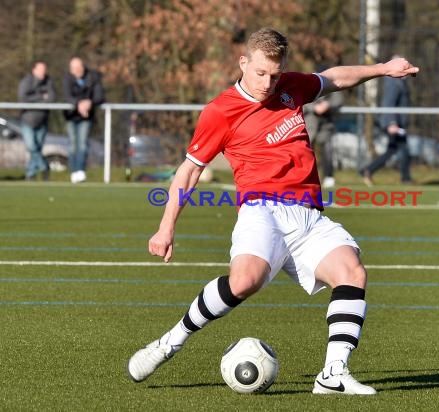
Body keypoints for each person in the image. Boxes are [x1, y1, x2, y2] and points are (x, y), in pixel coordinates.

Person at [127, 28, 418, 395]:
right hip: (261, 210)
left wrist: (382, 68)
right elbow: (189, 170)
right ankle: (170, 341)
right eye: (261, 73)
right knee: (244, 282)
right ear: (243, 62)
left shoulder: (289, 87)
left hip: (308, 214)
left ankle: (333, 374)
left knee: (352, 272)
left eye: (275, 74)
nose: (268, 83)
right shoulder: (220, 111)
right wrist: (165, 227)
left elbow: (334, 78)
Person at [360, 58, 413, 186]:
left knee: (393, 149)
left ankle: (368, 170)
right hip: (393, 123)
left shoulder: (398, 82)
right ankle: (405, 179)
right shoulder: (394, 82)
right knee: (402, 149)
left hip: (396, 122)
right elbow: (389, 103)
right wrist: (392, 123)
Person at [63, 57, 105, 183]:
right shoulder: (67, 78)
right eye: (73, 68)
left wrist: (89, 103)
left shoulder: (92, 77)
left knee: (82, 144)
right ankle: (73, 171)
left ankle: (80, 170)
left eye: (78, 67)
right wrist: (79, 104)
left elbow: (99, 95)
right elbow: (67, 96)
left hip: (87, 116)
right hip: (71, 116)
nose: (76, 70)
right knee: (72, 145)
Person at [18, 60, 55, 181]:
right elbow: (23, 97)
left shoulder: (48, 81)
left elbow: (51, 98)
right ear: (34, 70)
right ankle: (44, 166)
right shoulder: (27, 81)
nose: (43, 72)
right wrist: (40, 96)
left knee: (37, 148)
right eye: (40, 69)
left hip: (42, 120)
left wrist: (35, 98)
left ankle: (30, 173)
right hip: (27, 121)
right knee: (31, 147)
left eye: (44, 69)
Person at [304, 83, 343, 188]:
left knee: (328, 150)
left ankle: (328, 177)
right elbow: (302, 101)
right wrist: (314, 107)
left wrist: (328, 105)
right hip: (310, 124)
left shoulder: (333, 86)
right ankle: (303, 176)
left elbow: (338, 100)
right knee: (304, 151)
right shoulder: (308, 84)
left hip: (326, 124)